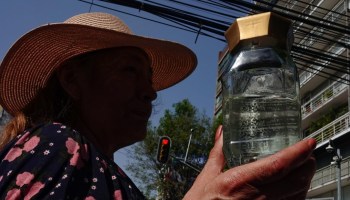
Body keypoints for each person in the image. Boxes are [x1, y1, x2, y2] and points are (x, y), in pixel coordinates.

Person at [0, 12, 316, 199]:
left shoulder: (98, 167)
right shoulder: (57, 144)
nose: (150, 92)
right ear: (72, 79)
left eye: (149, 77)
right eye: (129, 70)